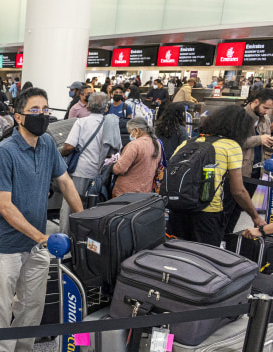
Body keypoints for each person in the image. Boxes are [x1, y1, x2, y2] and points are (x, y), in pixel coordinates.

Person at [0, 87, 83, 352]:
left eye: (45, 109)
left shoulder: (48, 144)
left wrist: (83, 219)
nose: (42, 116)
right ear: (18, 116)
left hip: (37, 244)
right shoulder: (4, 152)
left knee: (33, 303)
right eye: (35, 111)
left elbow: (64, 181)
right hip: (4, 245)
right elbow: (3, 205)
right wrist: (43, 237)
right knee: (1, 307)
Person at [168, 106, 265, 246]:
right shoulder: (231, 146)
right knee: (206, 259)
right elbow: (238, 191)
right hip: (208, 212)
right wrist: (255, 217)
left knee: (177, 255)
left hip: (178, 209)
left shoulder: (189, 142)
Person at [59, 92, 122, 232]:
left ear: (88, 106)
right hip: (100, 174)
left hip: (81, 171)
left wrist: (61, 153)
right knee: (93, 207)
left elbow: (69, 146)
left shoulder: (81, 122)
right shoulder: (110, 124)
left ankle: (66, 238)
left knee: (71, 205)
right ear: (106, 108)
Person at [223, 89, 273, 234]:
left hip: (255, 172)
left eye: (269, 109)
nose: (267, 112)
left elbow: (263, 140)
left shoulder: (265, 119)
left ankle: (228, 239)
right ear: (256, 102)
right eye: (265, 108)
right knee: (227, 209)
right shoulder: (239, 117)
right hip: (237, 171)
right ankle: (218, 241)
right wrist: (260, 139)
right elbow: (233, 142)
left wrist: (268, 141)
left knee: (239, 210)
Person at [111, 117, 161, 197]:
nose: (130, 135)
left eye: (130, 132)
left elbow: (120, 169)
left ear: (137, 130)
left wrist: (113, 166)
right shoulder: (157, 143)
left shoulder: (134, 145)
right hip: (145, 192)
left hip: (126, 192)